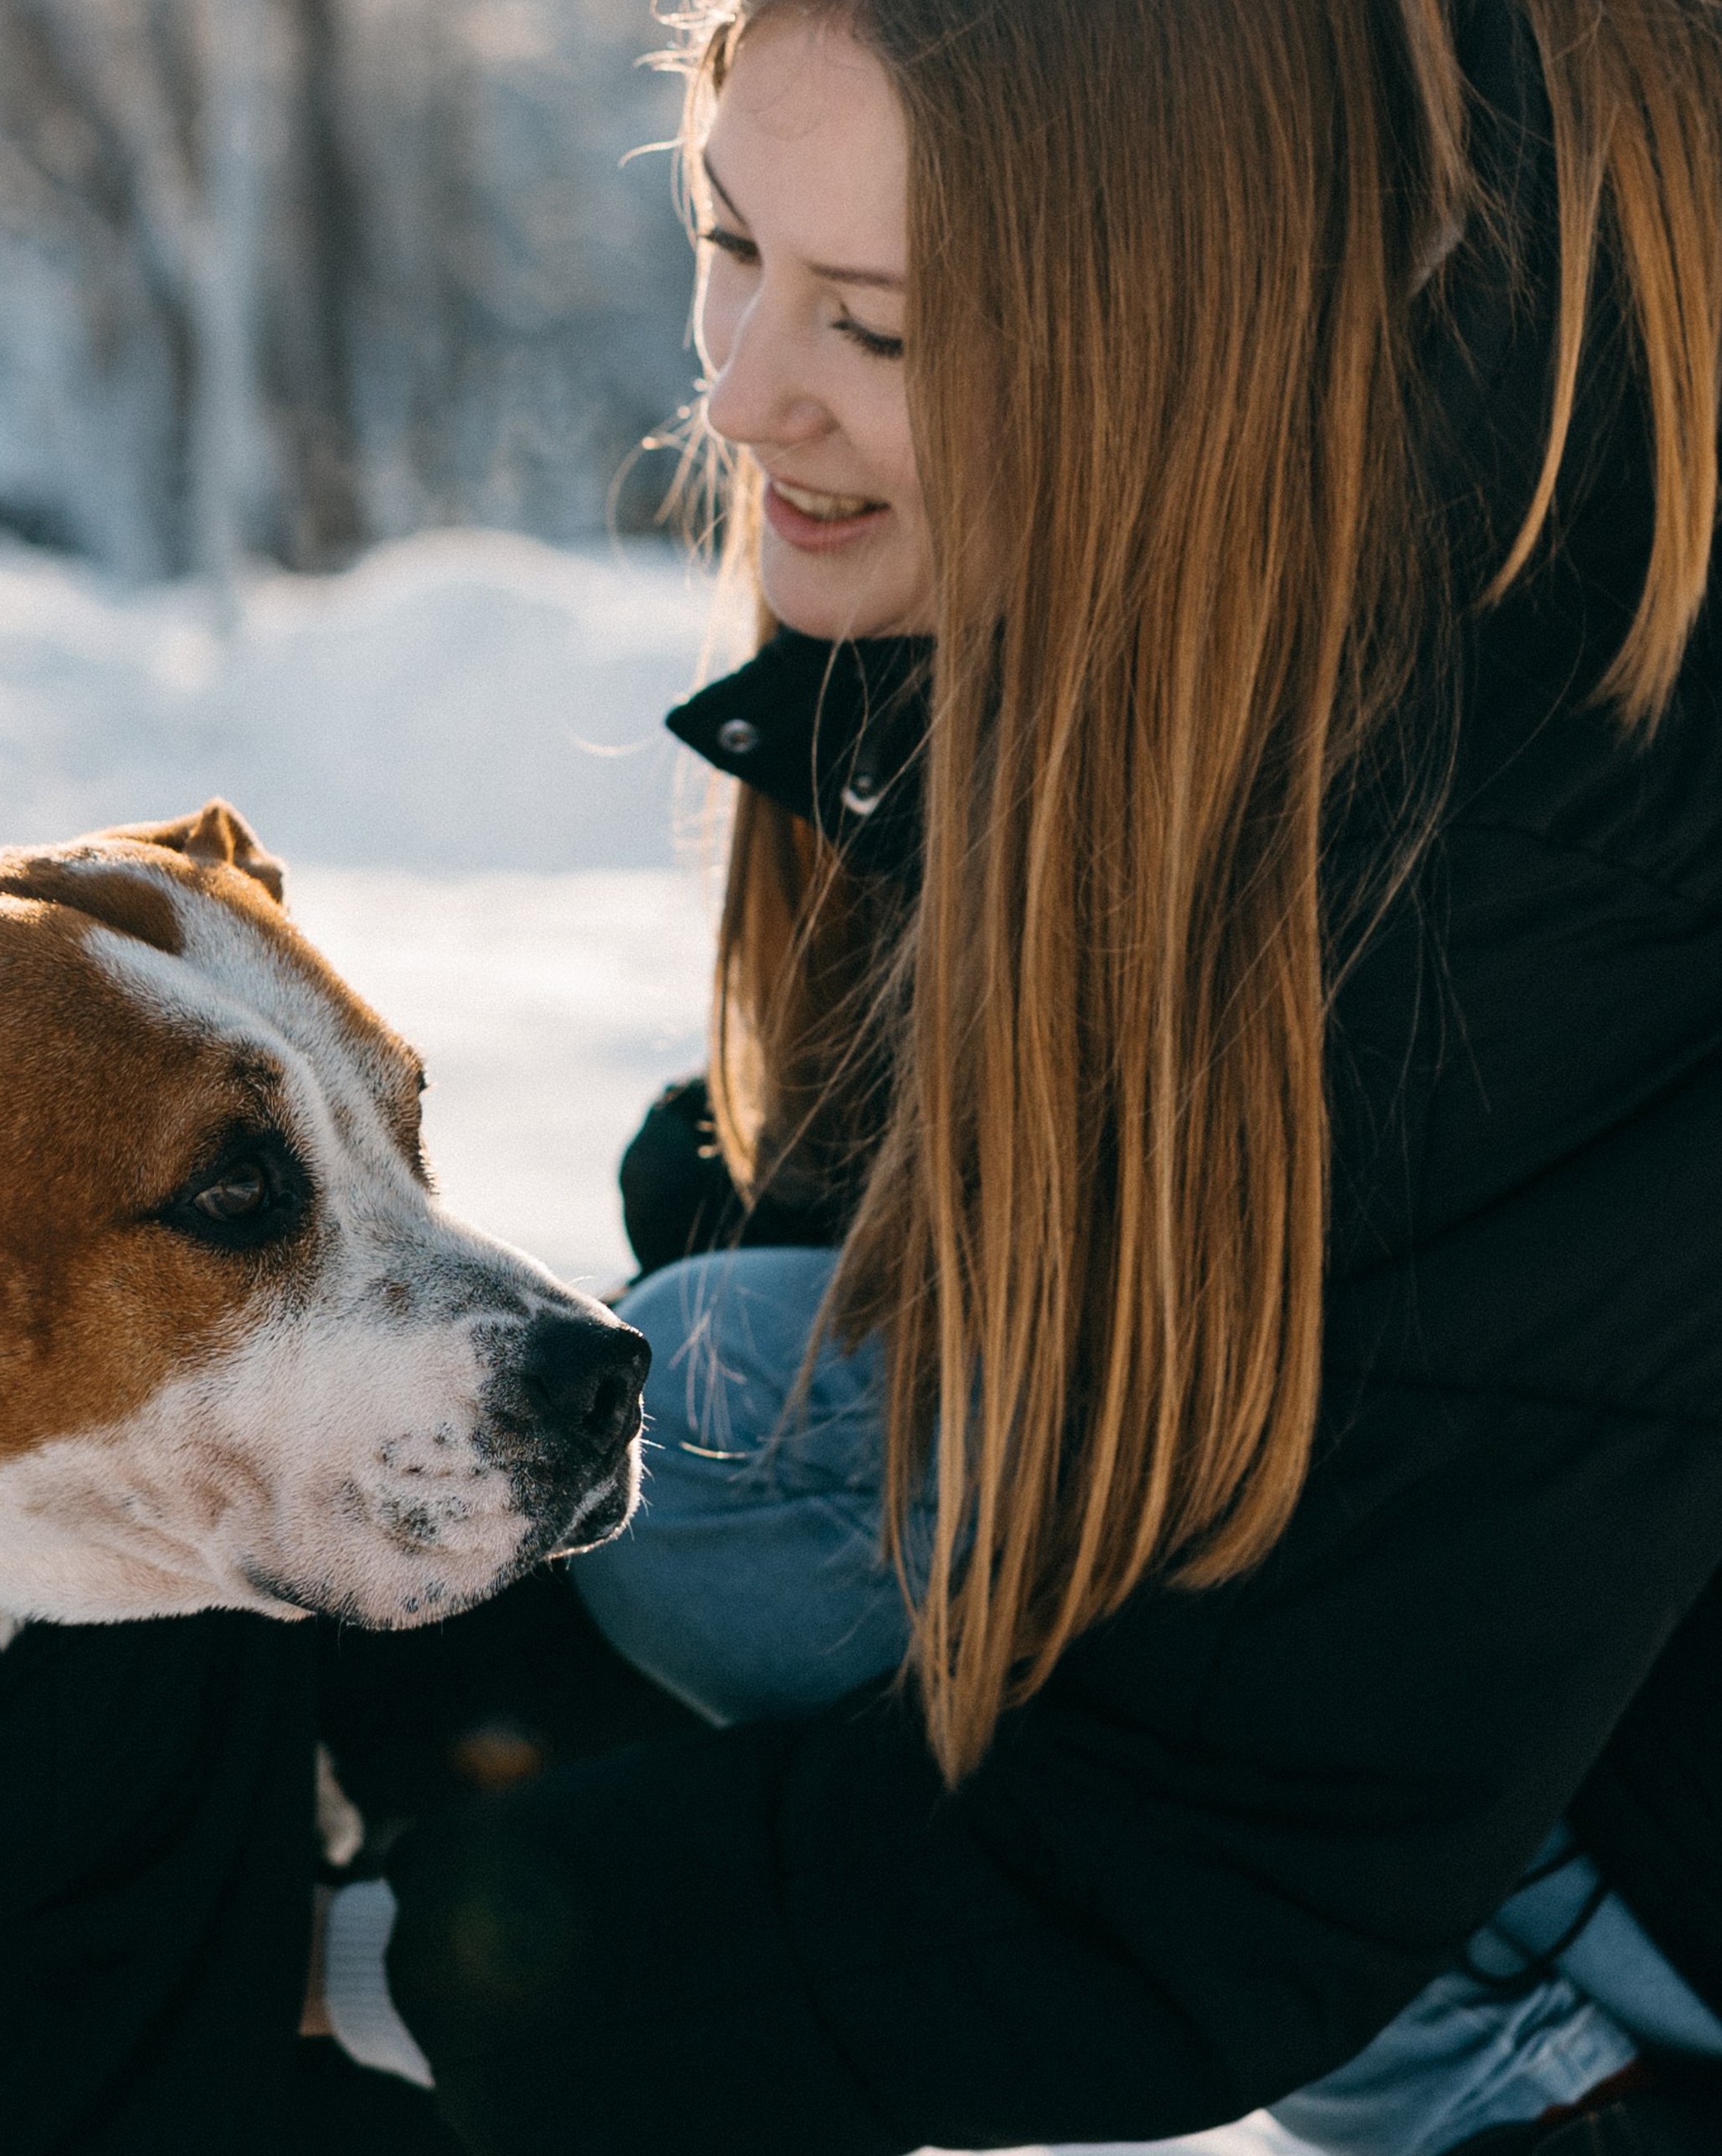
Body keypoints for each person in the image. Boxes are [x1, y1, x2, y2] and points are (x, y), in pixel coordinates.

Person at [296, 1, 1722, 2149]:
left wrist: (370, 1971)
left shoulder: (1524, 834)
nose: (742, 387)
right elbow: (810, 1198)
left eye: (873, 327)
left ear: (1175, 338)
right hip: (1475, 1648)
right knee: (731, 1390)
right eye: (726, 241)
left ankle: (1549, 2077)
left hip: (1585, 1815)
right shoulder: (1178, 570)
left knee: (734, 1424)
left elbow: (1202, 1850)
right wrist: (208, 1736)